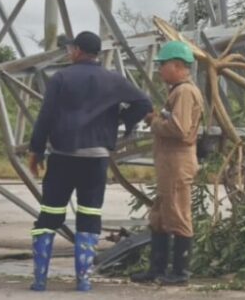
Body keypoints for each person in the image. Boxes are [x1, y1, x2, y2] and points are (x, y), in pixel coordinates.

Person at [28, 31, 152, 292]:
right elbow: (143, 102)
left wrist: (36, 150)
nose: (70, 52)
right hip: (96, 160)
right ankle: (83, 281)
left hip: (63, 156)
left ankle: (40, 280)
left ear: (77, 51)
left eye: (71, 48)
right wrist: (121, 121)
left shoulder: (61, 78)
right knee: (89, 214)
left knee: (49, 213)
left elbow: (46, 116)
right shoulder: (113, 80)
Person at [131, 40, 204, 286]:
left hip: (177, 162)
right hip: (169, 163)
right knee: (160, 216)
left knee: (178, 214)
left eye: (163, 65)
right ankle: (157, 269)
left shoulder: (184, 92)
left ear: (178, 65)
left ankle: (180, 272)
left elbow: (180, 128)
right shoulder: (178, 90)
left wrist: (154, 122)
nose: (160, 70)